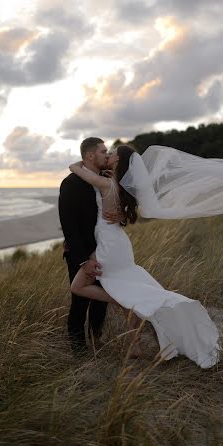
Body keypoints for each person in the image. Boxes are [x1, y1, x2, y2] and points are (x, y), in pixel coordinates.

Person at [68, 144, 220, 369]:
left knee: (78, 287)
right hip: (118, 243)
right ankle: (135, 345)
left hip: (109, 246)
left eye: (112, 154)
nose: (108, 155)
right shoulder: (121, 186)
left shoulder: (106, 183)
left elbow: (74, 168)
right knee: (126, 289)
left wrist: (81, 163)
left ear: (118, 162)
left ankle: (123, 303)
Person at [58, 137, 124, 353]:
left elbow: (116, 211)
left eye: (107, 151)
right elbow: (69, 226)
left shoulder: (106, 178)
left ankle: (96, 340)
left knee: (101, 301)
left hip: (105, 251)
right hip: (82, 253)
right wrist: (83, 259)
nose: (106, 154)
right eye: (103, 151)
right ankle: (78, 349)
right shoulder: (71, 184)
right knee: (79, 300)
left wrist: (120, 217)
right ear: (89, 155)